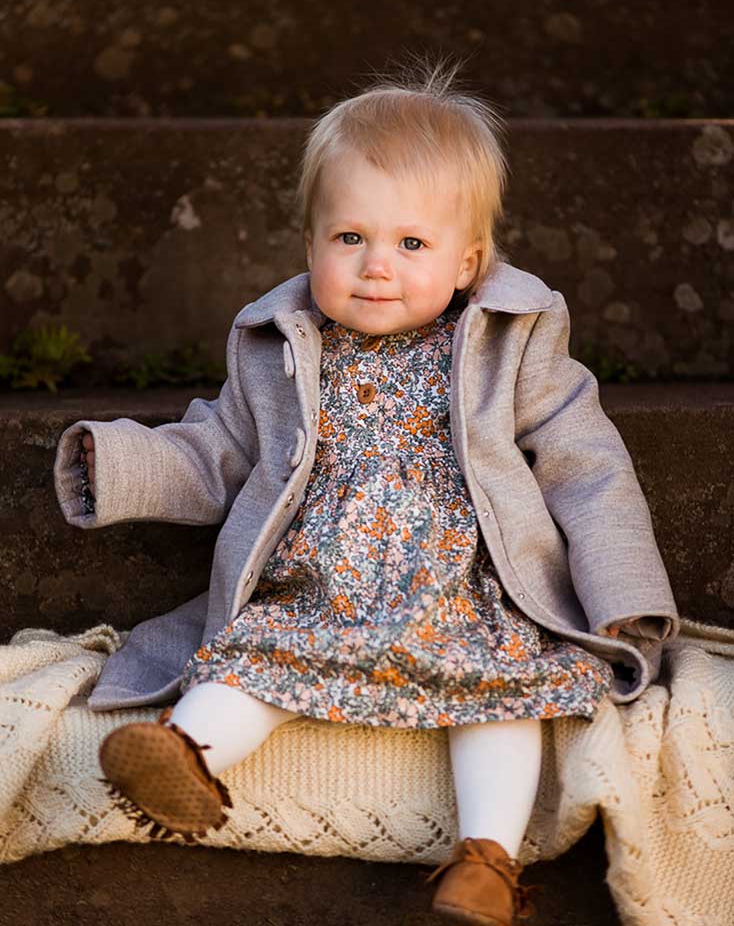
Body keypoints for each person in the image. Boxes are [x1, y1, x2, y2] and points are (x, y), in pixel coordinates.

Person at [55, 55, 679, 926]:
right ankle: (179, 755)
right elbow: (219, 449)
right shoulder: (282, 347)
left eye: (411, 245)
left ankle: (487, 859)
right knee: (254, 655)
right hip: (318, 585)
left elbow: (588, 467)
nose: (376, 266)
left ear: (468, 263)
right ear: (311, 247)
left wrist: (620, 593)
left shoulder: (509, 344)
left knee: (500, 689)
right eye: (349, 238)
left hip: (464, 590)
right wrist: (122, 464)